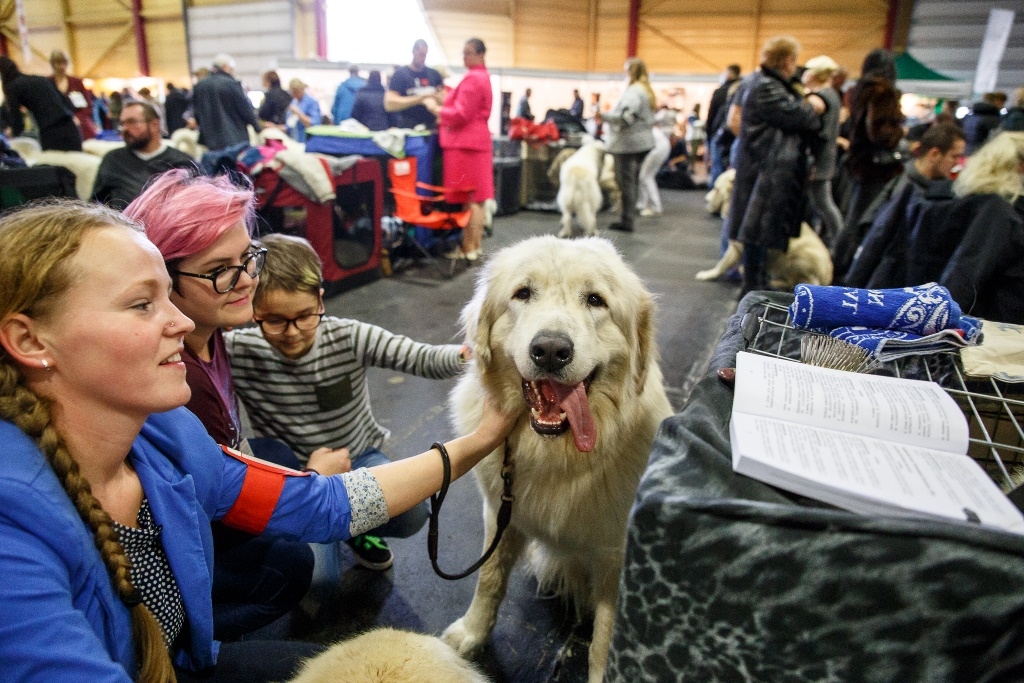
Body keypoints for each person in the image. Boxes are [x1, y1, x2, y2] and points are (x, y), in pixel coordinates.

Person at [0, 200, 518, 681]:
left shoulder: (166, 435)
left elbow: (319, 503)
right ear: (30, 340)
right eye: (141, 304)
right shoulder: (13, 533)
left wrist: (480, 439)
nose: (181, 322)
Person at [123, 170, 324, 641]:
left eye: (249, 258)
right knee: (300, 564)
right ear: (163, 281)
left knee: (276, 454)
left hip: (216, 482)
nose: (247, 280)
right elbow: (209, 501)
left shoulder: (211, 333)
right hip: (193, 530)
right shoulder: (177, 383)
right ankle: (194, 642)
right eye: (220, 271)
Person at [226, 233, 466, 568]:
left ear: (321, 302)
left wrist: (473, 354)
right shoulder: (238, 349)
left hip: (357, 462)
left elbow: (422, 357)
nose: (292, 332)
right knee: (317, 578)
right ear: (253, 311)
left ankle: (354, 530)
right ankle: (340, 525)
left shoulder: (350, 337)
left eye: (305, 316)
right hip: (295, 475)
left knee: (411, 512)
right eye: (276, 321)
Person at [725, 35, 825, 296]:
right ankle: (752, 284)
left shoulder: (764, 83)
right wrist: (813, 105)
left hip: (764, 169)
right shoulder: (766, 87)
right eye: (794, 60)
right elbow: (800, 117)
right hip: (765, 170)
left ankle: (755, 281)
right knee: (755, 230)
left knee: (758, 230)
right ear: (786, 60)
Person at [836, 48, 904, 276]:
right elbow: (879, 130)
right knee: (860, 220)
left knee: (853, 217)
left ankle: (840, 262)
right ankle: (843, 267)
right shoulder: (882, 93)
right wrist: (897, 134)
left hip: (859, 162)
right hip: (875, 167)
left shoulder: (859, 90)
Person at [430, 37, 493, 261]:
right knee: (478, 198)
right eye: (463, 52)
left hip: (466, 145)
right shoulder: (481, 77)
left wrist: (437, 109)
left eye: (468, 52)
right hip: (476, 144)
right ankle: (474, 246)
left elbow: (461, 114)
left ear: (479, 54)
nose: (464, 57)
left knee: (471, 199)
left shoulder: (474, 79)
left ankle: (468, 248)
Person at [91, 101, 196, 209]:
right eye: (122, 124)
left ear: (154, 125)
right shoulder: (113, 160)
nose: (125, 128)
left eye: (132, 122)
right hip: (123, 223)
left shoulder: (182, 162)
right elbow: (95, 204)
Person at [599, 57, 656, 232]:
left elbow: (626, 118)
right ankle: (627, 218)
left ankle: (627, 220)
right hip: (641, 143)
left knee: (626, 183)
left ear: (631, 72)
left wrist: (603, 116)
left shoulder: (634, 91)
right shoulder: (645, 90)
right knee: (632, 182)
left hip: (628, 144)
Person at [802, 55, 844, 247]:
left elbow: (818, 133)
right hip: (824, 159)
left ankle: (840, 244)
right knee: (822, 204)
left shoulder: (821, 97)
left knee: (824, 204)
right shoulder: (832, 94)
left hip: (818, 160)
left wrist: (811, 162)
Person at [0, 56, 82, 151]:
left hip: (51, 132)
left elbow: (17, 121)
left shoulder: (12, 87)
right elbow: (67, 102)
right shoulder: (40, 79)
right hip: (71, 127)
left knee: (54, 163)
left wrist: (12, 138)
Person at [190, 53, 261, 151]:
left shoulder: (200, 86)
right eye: (231, 69)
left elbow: (197, 112)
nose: (232, 72)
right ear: (225, 67)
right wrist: (257, 128)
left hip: (209, 140)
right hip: (235, 139)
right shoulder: (232, 84)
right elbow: (245, 109)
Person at [385, 39, 444, 130]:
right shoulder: (400, 74)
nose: (422, 58)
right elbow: (389, 104)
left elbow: (445, 99)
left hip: (432, 128)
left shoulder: (434, 74)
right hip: (408, 128)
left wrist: (436, 98)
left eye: (424, 55)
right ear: (413, 51)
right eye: (420, 54)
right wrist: (420, 99)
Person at [48, 50, 97, 140]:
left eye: (64, 63)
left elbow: (87, 105)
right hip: (57, 127)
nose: (62, 66)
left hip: (81, 127)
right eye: (58, 63)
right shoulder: (47, 83)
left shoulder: (77, 82)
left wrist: (78, 119)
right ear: (52, 64)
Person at [906, 122, 965, 190]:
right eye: (954, 157)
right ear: (934, 154)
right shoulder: (903, 189)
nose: (958, 163)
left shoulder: (944, 182)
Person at [637, 125, 671, 216]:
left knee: (645, 177)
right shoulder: (643, 126)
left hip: (657, 149)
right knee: (645, 177)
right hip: (661, 147)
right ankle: (642, 204)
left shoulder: (638, 128)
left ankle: (655, 207)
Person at [286, 78, 321, 142]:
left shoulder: (312, 102)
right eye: (292, 92)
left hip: (306, 140)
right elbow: (289, 126)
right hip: (293, 139)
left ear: (301, 90)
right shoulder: (294, 102)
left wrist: (298, 114)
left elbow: (314, 124)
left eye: (296, 92)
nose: (294, 95)